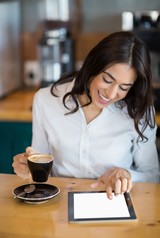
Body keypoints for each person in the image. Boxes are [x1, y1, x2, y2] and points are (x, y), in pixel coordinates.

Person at [12, 31, 160, 199]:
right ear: (93, 67)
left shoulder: (139, 110)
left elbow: (153, 175)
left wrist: (127, 175)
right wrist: (28, 169)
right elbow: (39, 165)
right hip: (60, 206)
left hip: (115, 205)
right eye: (107, 80)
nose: (111, 94)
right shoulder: (46, 100)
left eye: (124, 87)